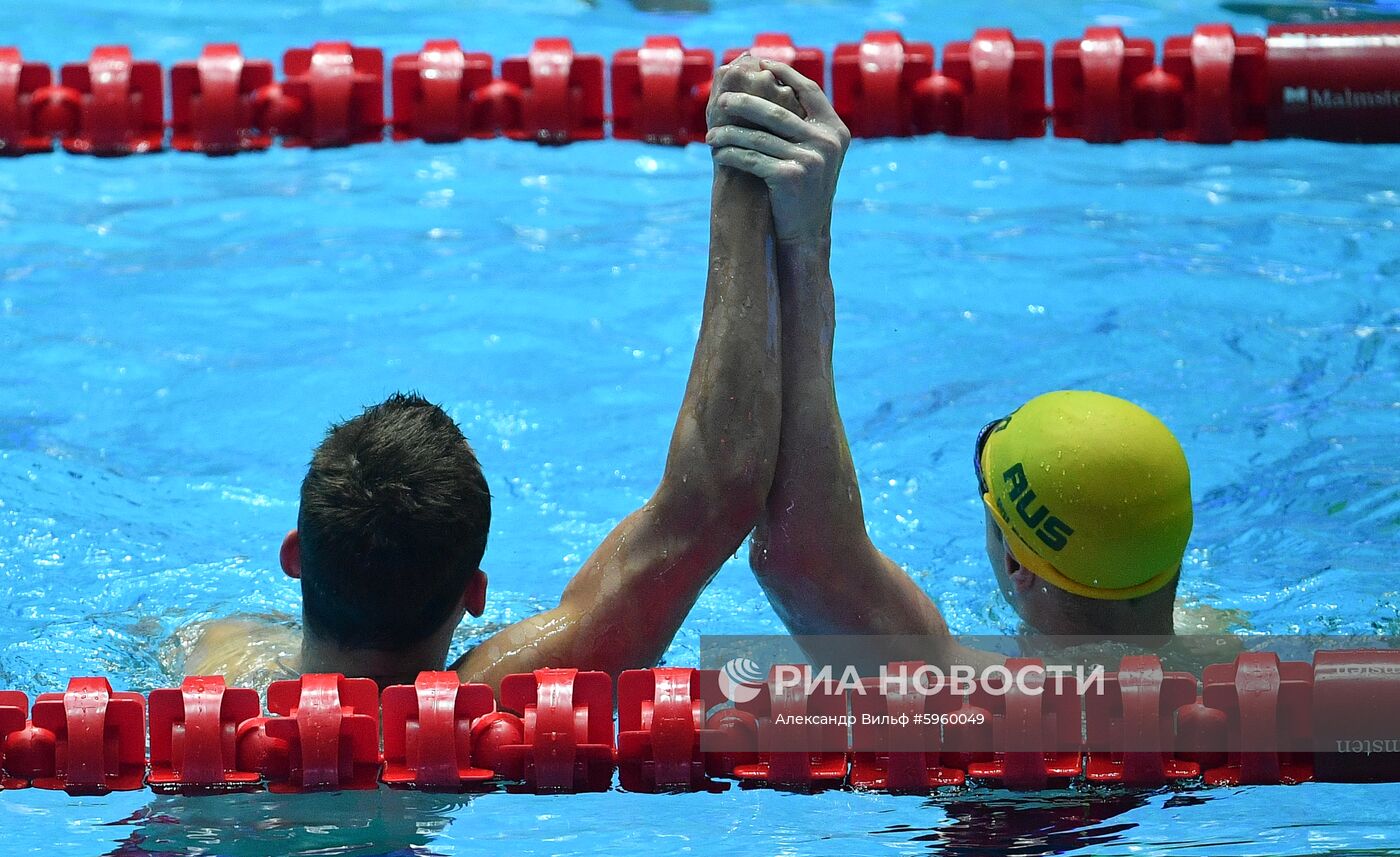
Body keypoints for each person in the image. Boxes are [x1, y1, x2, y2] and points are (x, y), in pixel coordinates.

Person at [179, 57, 804, 690]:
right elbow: (713, 499)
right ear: (475, 594)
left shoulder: (217, 661)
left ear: (293, 557)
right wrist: (743, 173)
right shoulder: (501, 701)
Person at [705, 59, 1210, 670]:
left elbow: (802, 557)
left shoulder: (981, 693)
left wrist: (803, 240)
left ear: (1019, 566)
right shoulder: (1230, 660)